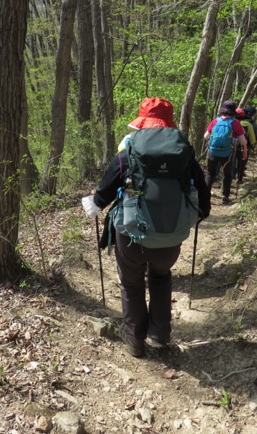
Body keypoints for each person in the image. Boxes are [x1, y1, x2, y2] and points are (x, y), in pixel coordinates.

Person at [82, 97, 211, 358]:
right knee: (161, 278)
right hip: (170, 237)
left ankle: (135, 341)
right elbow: (204, 199)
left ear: (142, 123)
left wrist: (93, 204)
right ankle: (160, 336)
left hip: (131, 237)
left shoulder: (127, 154)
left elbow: (101, 197)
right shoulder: (184, 155)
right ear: (169, 125)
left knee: (131, 285)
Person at [204, 100, 247, 204]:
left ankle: (205, 197)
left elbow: (205, 136)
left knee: (210, 174)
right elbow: (243, 141)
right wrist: (244, 150)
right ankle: (225, 196)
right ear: (233, 112)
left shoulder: (215, 121)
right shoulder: (235, 123)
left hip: (212, 152)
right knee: (227, 174)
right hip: (226, 154)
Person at [235, 108, 255, 185]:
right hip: (243, 146)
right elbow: (252, 138)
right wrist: (252, 144)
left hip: (231, 147)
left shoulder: (231, 123)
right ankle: (239, 178)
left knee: (233, 162)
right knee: (242, 163)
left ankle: (232, 176)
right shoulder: (248, 125)